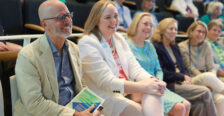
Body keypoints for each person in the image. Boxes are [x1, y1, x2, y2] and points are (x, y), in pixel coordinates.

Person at [78, 1, 166, 116]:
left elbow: (135, 68)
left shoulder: (118, 38)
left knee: (155, 91)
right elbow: (107, 82)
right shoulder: (88, 42)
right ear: (96, 20)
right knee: (139, 111)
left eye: (115, 16)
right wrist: (143, 86)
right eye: (108, 17)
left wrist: (153, 80)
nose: (114, 21)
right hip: (100, 97)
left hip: (121, 92)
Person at [14, 1, 99, 116]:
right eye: (61, 17)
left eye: (69, 15)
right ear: (44, 24)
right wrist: (74, 114)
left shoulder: (74, 49)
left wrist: (93, 107)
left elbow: (80, 84)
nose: (68, 21)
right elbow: (34, 103)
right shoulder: (28, 56)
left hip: (73, 109)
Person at [126, 12, 190, 116]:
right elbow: (126, 71)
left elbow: (158, 69)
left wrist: (158, 82)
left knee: (186, 105)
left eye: (151, 26)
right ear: (136, 24)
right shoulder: (126, 45)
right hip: (140, 88)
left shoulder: (150, 46)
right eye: (145, 24)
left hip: (157, 86)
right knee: (179, 108)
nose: (148, 27)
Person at [152, 18, 217, 116]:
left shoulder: (174, 46)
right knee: (205, 91)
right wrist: (182, 77)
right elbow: (163, 72)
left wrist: (186, 77)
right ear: (162, 29)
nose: (174, 31)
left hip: (181, 83)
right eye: (171, 29)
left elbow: (183, 67)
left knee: (199, 105)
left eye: (175, 29)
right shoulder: (156, 47)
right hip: (169, 84)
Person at [178, 21, 224, 116]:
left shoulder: (206, 45)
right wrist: (206, 79)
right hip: (192, 79)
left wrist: (210, 80)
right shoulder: (182, 46)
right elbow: (190, 67)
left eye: (204, 32)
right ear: (191, 31)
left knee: (221, 99)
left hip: (209, 79)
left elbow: (211, 67)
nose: (201, 34)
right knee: (207, 76)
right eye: (199, 31)